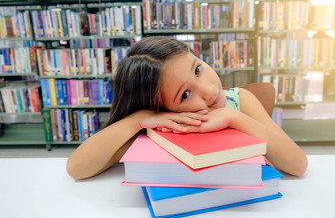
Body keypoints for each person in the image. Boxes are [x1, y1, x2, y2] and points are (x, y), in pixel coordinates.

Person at [66, 36, 308, 180]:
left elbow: (297, 165)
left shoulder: (240, 100)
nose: (210, 91)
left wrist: (233, 117)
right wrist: (138, 120)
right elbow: (76, 169)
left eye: (198, 70)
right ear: (160, 108)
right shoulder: (161, 124)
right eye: (185, 94)